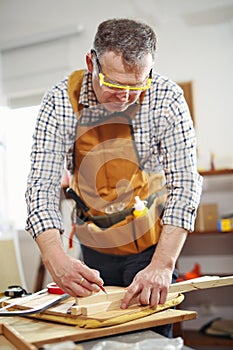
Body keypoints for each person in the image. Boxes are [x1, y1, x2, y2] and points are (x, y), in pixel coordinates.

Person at [25, 18, 202, 337]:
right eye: (115, 85)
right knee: (95, 337)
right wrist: (56, 258)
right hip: (92, 248)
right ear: (91, 63)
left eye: (136, 87)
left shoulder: (166, 98)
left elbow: (186, 184)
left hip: (152, 247)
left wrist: (162, 266)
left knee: (152, 340)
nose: (125, 97)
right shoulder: (60, 101)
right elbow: (41, 187)